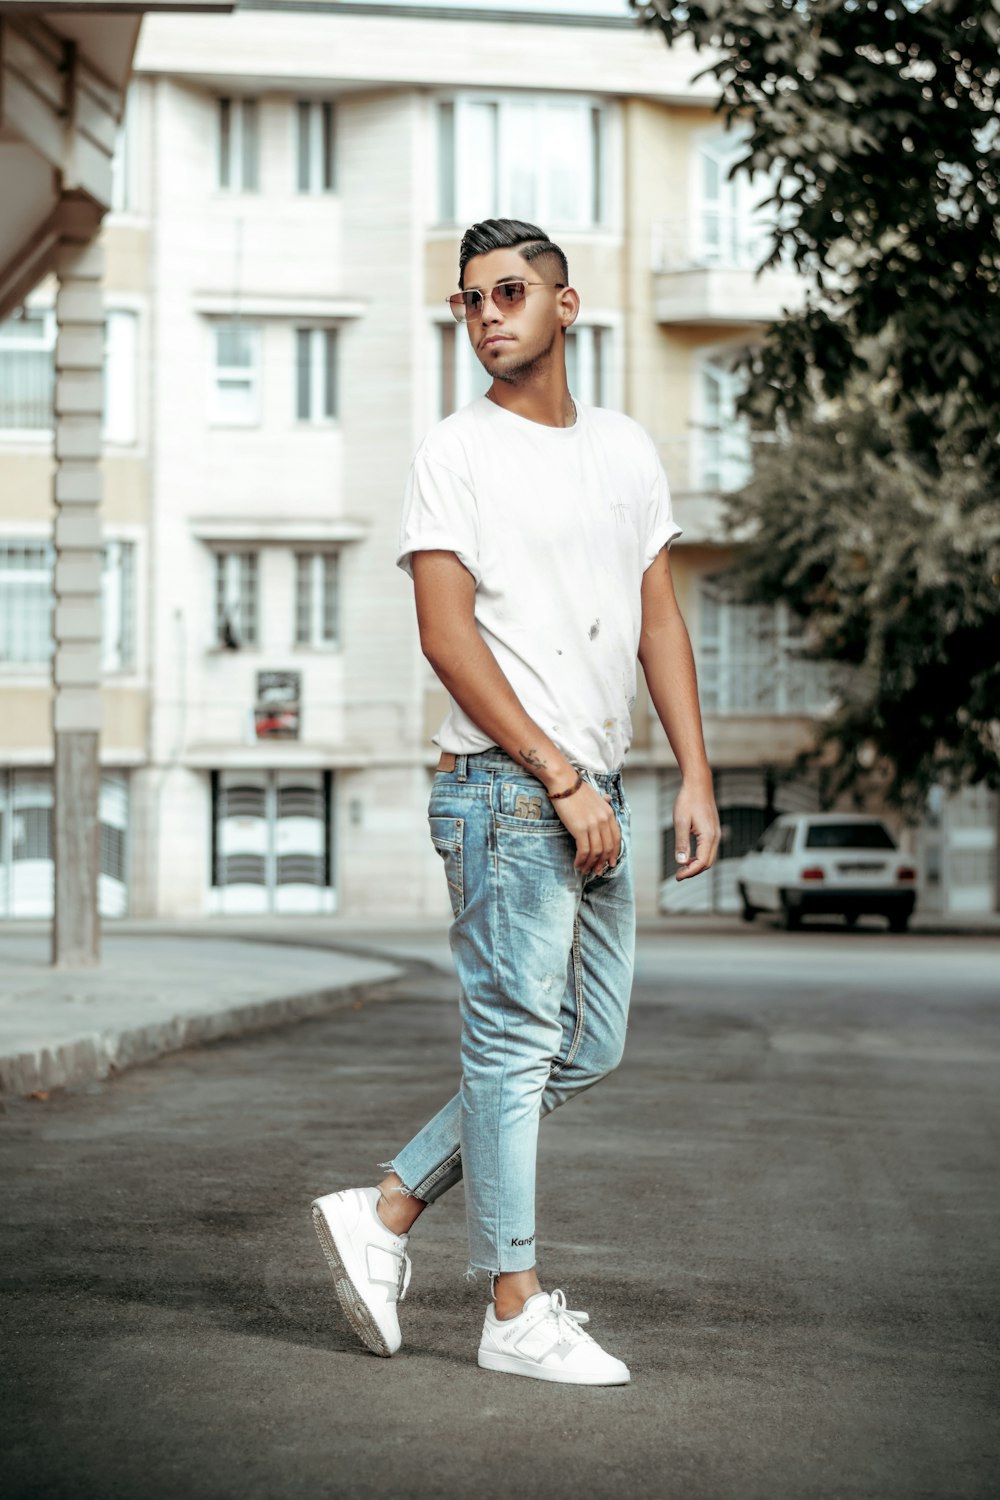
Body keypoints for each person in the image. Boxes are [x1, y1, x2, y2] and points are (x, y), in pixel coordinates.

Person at [312, 218, 720, 1386]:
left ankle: (386, 1210)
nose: (488, 315)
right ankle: (512, 1305)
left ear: (564, 305)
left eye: (508, 293)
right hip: (506, 792)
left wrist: (691, 773)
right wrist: (554, 773)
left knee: (582, 1046)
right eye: (469, 302)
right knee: (510, 1045)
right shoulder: (455, 453)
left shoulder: (626, 452)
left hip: (594, 789)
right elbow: (447, 638)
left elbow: (657, 623)